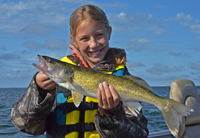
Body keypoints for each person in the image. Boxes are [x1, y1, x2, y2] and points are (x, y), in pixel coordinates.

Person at [11, 4, 149, 138]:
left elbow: (139, 134)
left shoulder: (123, 77)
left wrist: (112, 114)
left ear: (109, 33)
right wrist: (39, 92)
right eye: (84, 38)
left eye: (99, 35)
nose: (93, 44)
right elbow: (26, 126)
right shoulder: (54, 82)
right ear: (74, 41)